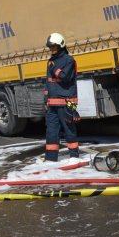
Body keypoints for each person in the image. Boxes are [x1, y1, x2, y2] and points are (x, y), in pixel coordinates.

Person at [43, 32, 79, 163]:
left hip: (66, 102)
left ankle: (74, 158)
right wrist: (45, 99)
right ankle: (51, 160)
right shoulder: (51, 62)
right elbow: (48, 82)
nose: (51, 50)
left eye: (54, 47)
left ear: (61, 46)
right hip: (52, 104)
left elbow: (65, 77)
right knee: (51, 132)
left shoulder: (69, 60)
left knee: (69, 130)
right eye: (50, 47)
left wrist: (54, 69)